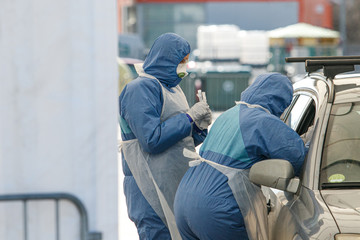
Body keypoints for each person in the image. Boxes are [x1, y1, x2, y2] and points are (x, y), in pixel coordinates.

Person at [174, 73, 308, 240]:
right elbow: (298, 158)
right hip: (217, 209)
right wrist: (309, 140)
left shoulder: (228, 114)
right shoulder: (263, 121)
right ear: (280, 100)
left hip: (185, 200)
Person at [119, 33, 212, 240]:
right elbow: (152, 140)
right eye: (181, 62)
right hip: (147, 185)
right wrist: (189, 117)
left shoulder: (172, 89)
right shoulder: (140, 89)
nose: (184, 67)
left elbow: (180, 140)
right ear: (166, 58)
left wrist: (199, 127)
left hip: (171, 181)